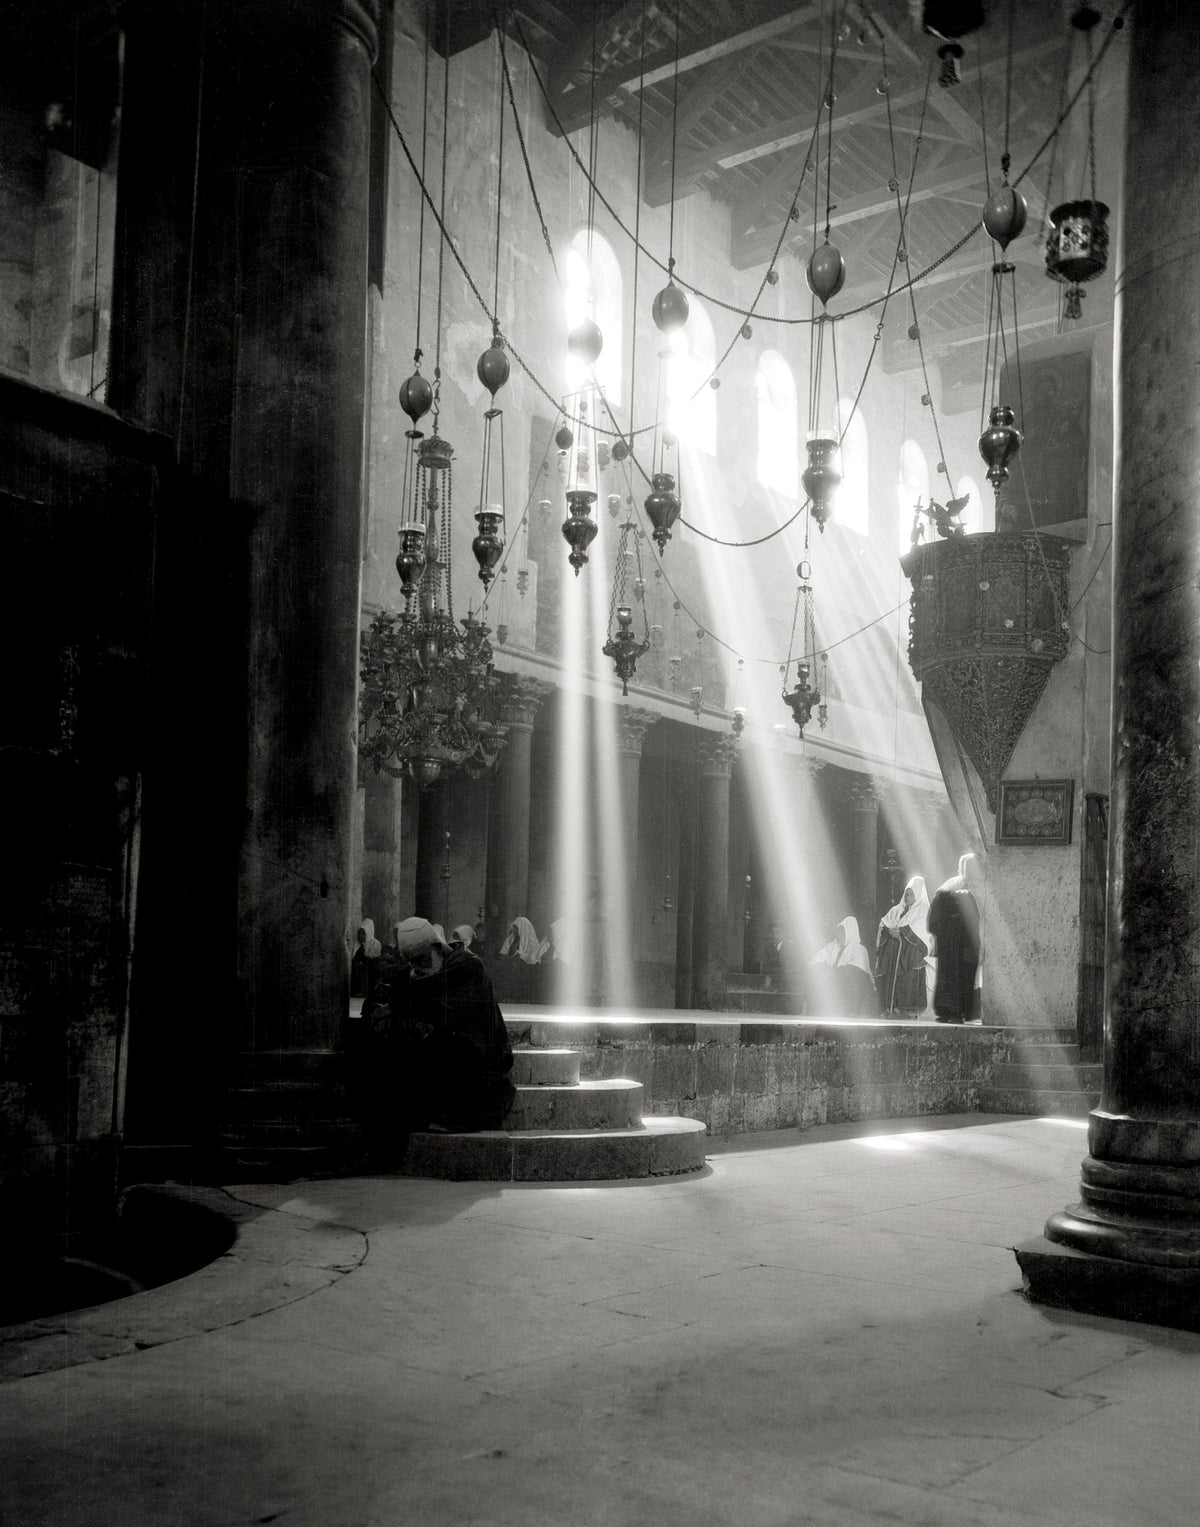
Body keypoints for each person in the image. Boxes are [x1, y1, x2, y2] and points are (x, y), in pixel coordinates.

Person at [374, 916, 516, 1140]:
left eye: (422, 960)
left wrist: (404, 999)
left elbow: (438, 1006)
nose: (417, 969)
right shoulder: (420, 975)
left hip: (480, 1059)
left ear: (437, 947)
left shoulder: (467, 966)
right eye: (411, 963)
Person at [927, 854, 983, 1024]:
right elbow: (935, 914)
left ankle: (960, 1012)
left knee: (965, 977)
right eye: (967, 868)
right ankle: (947, 1011)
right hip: (950, 946)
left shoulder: (983, 887)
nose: (969, 872)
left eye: (973, 868)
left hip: (969, 943)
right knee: (949, 978)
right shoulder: (951, 886)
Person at [875, 876, 931, 1017]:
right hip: (895, 951)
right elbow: (884, 923)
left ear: (918, 893)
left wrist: (901, 931)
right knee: (891, 979)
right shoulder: (897, 909)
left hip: (911, 953)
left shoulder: (923, 909)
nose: (908, 896)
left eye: (911, 893)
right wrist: (890, 930)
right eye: (906, 893)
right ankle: (891, 1008)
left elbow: (922, 929)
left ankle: (908, 1011)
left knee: (908, 980)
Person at [810, 916, 876, 1017]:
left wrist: (832, 971)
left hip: (854, 989)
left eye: (842, 932)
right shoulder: (832, 946)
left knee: (853, 978)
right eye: (837, 932)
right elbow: (815, 962)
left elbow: (855, 972)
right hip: (836, 984)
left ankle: (852, 1013)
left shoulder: (859, 949)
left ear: (850, 932)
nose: (838, 935)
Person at [349, 918, 382, 1005]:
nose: (361, 936)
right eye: (360, 933)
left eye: (364, 933)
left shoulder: (375, 944)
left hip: (372, 970)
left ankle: (366, 991)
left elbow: (374, 959)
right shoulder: (360, 946)